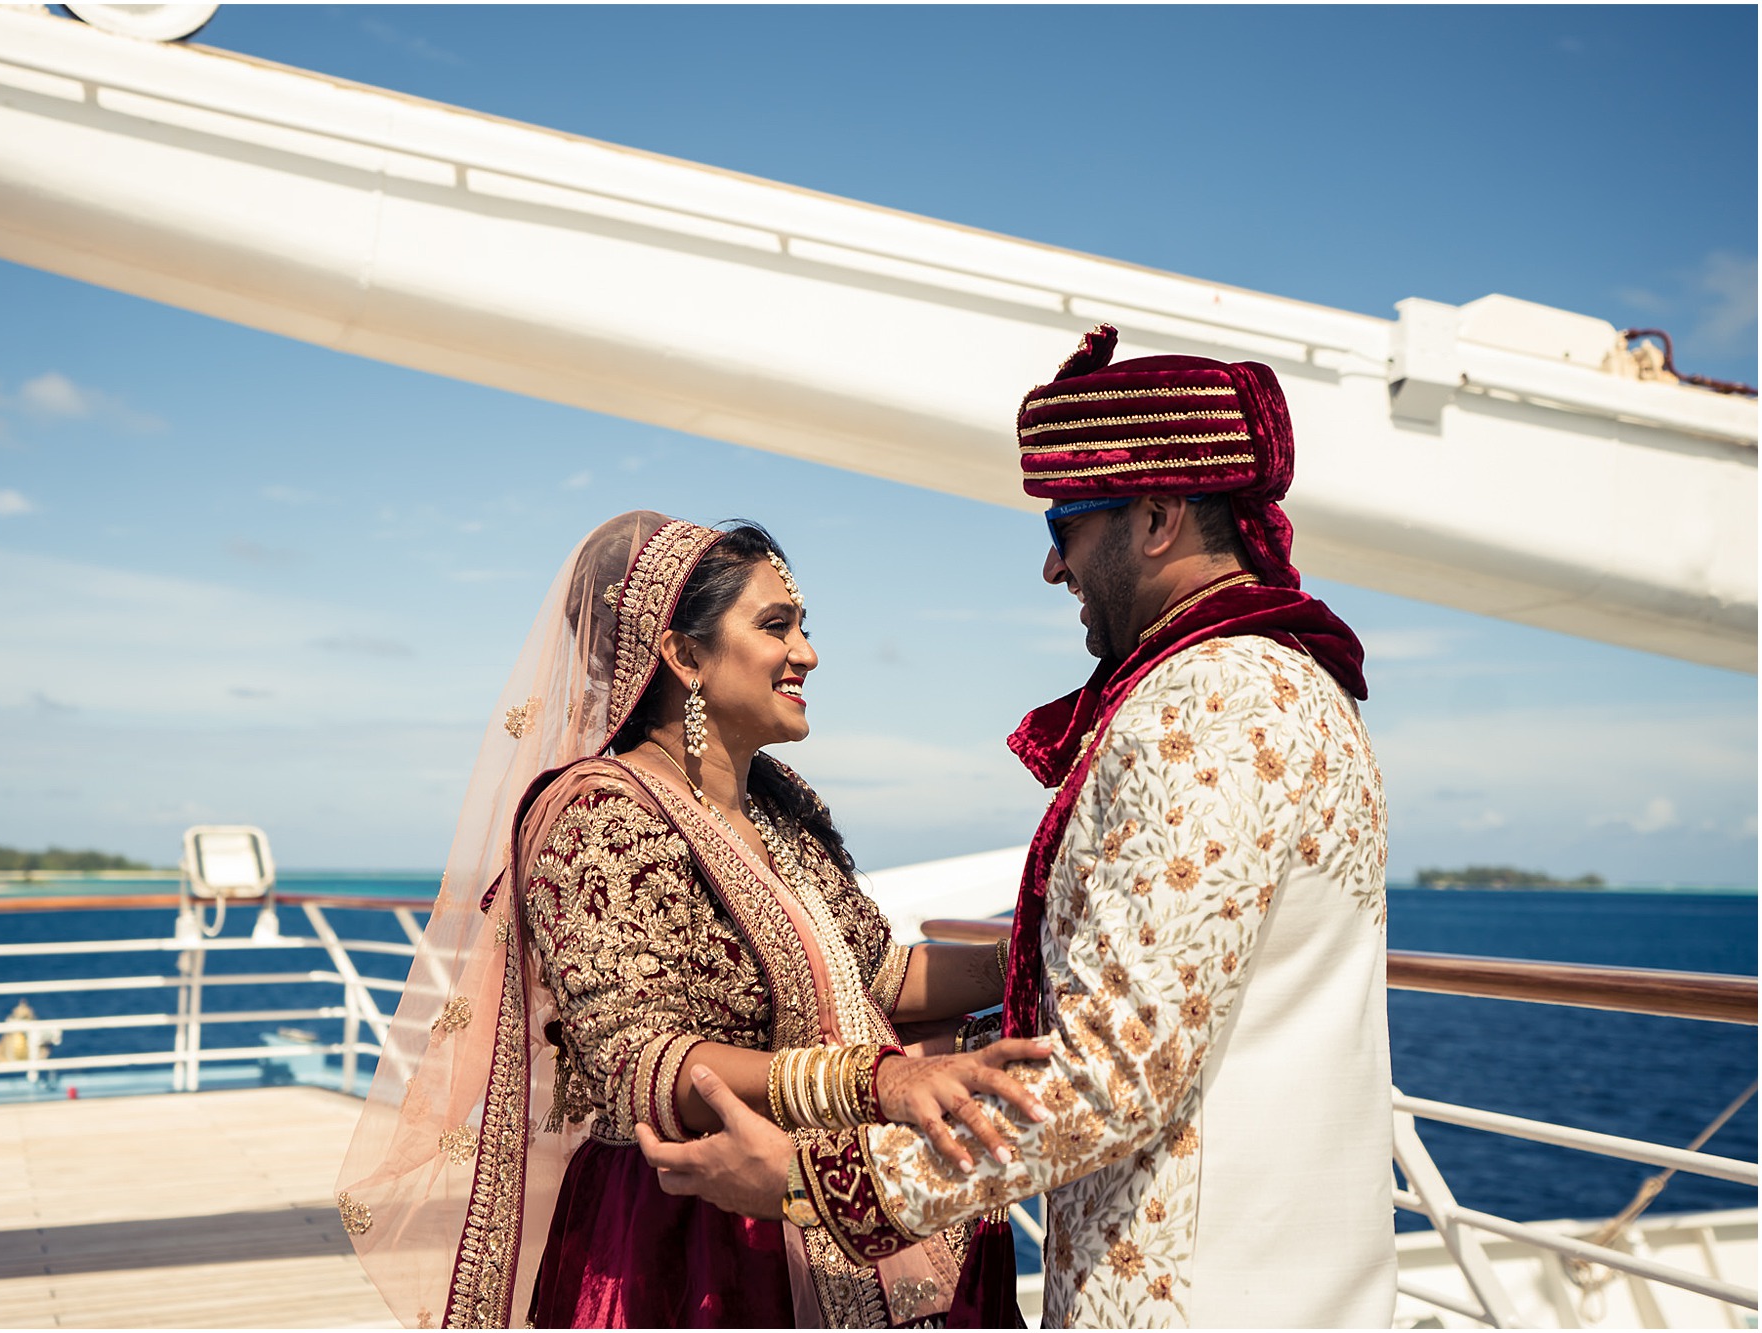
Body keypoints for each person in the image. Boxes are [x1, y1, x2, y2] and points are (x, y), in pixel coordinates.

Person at [640, 326, 1397, 1328]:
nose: (1051, 566)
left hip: (1196, 1292)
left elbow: (1115, 1075)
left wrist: (806, 1176)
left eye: (1068, 522)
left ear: (1157, 518)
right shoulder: (1288, 683)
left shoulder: (1202, 705)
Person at [335, 510, 1047, 1329]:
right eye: (777, 626)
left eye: (804, 627)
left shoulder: (782, 801)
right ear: (683, 654)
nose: (807, 653)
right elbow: (642, 1061)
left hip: (817, 1194)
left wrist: (1037, 949)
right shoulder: (597, 816)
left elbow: (877, 972)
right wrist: (881, 1080)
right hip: (689, 1239)